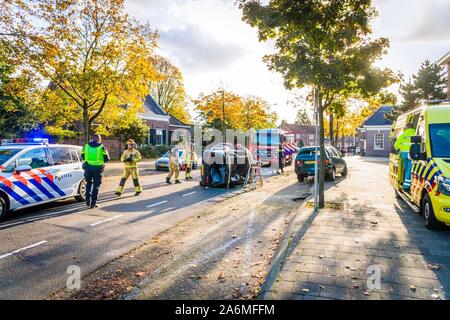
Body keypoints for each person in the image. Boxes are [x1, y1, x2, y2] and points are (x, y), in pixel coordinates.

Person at [81, 134, 110, 208]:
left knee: (88, 184)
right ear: (99, 139)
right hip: (97, 168)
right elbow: (107, 159)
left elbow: (82, 156)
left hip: (88, 167)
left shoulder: (86, 146)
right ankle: (93, 203)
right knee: (96, 185)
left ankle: (88, 202)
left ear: (92, 139)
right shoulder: (102, 147)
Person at [394, 122, 415, 191]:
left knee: (406, 169)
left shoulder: (402, 135)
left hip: (403, 154)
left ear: (406, 127)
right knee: (409, 170)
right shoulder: (415, 134)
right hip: (412, 155)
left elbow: (396, 146)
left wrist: (402, 147)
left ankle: (406, 184)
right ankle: (406, 186)